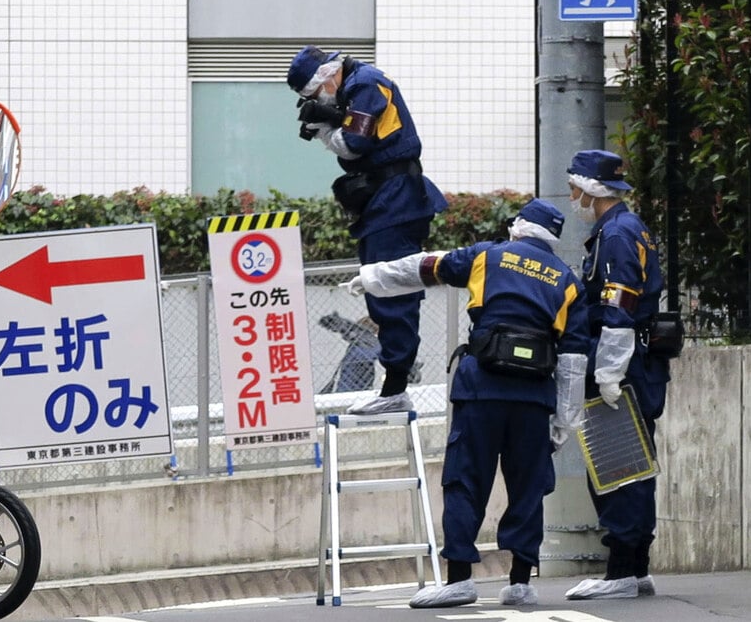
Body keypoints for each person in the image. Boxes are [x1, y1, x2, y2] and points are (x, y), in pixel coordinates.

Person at [346, 198, 590, 608]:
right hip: (533, 398)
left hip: (482, 389)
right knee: (528, 487)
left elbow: (426, 267)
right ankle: (520, 582)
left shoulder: (488, 256)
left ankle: (459, 578)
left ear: (518, 227)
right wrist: (564, 420)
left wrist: (372, 278)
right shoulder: (568, 281)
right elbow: (573, 358)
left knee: (465, 481)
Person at [286, 45, 448, 415]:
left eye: (314, 94)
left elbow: (353, 144)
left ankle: (395, 387)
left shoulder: (366, 83)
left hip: (396, 200)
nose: (318, 99)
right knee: (382, 288)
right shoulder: (355, 86)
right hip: (385, 200)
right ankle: (394, 385)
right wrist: (330, 120)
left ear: (326, 77)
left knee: (392, 288)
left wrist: (327, 123)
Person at [563, 149, 671, 600]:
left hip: (623, 366)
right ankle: (634, 567)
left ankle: (621, 571)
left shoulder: (617, 235)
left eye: (575, 188)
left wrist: (608, 372)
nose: (572, 196)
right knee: (633, 466)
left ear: (590, 189)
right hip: (638, 364)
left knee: (617, 466)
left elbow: (618, 309)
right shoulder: (626, 228)